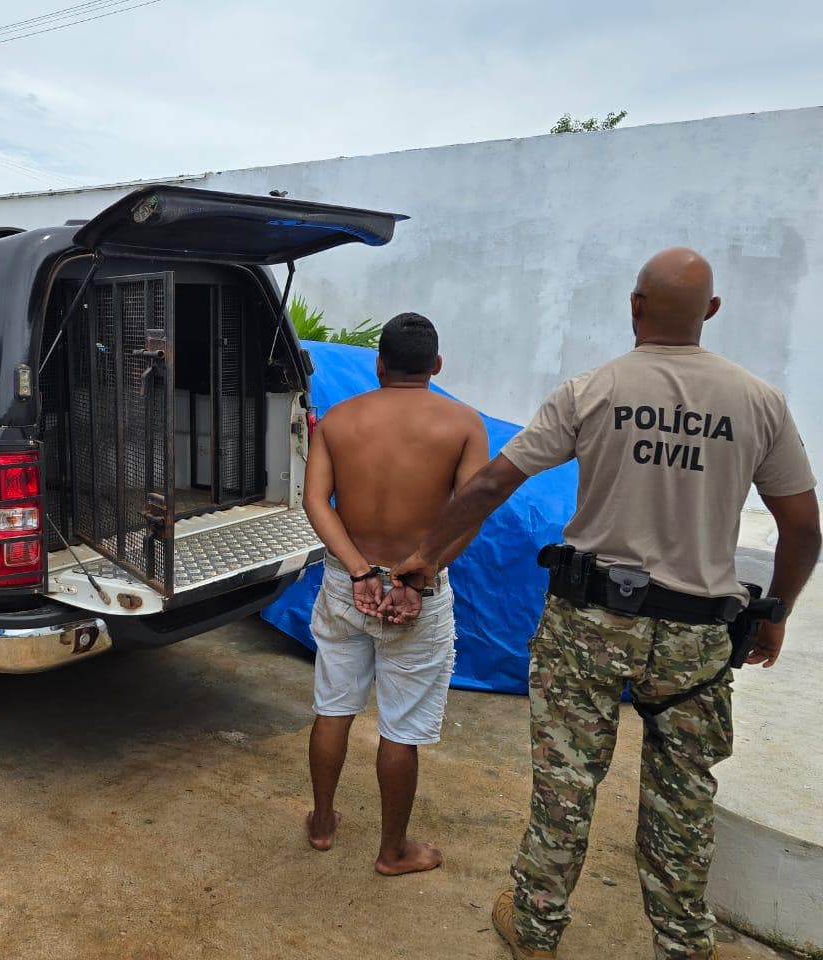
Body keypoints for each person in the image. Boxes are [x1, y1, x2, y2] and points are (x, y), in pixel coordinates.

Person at [392, 249, 820, 960]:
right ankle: (684, 943)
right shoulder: (759, 401)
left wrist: (425, 558)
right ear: (710, 313)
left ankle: (535, 926)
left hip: (588, 626)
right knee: (682, 797)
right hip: (698, 638)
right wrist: (774, 610)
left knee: (568, 778)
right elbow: (804, 527)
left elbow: (492, 483)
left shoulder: (593, 389)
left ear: (634, 305)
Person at [302, 312, 489, 875]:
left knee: (333, 707)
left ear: (379, 365)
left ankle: (323, 820)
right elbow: (470, 512)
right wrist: (416, 575)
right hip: (419, 593)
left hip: (346, 585)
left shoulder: (338, 419)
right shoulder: (463, 425)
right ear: (436, 366)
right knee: (400, 728)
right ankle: (393, 851)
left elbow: (316, 503)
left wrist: (360, 572)